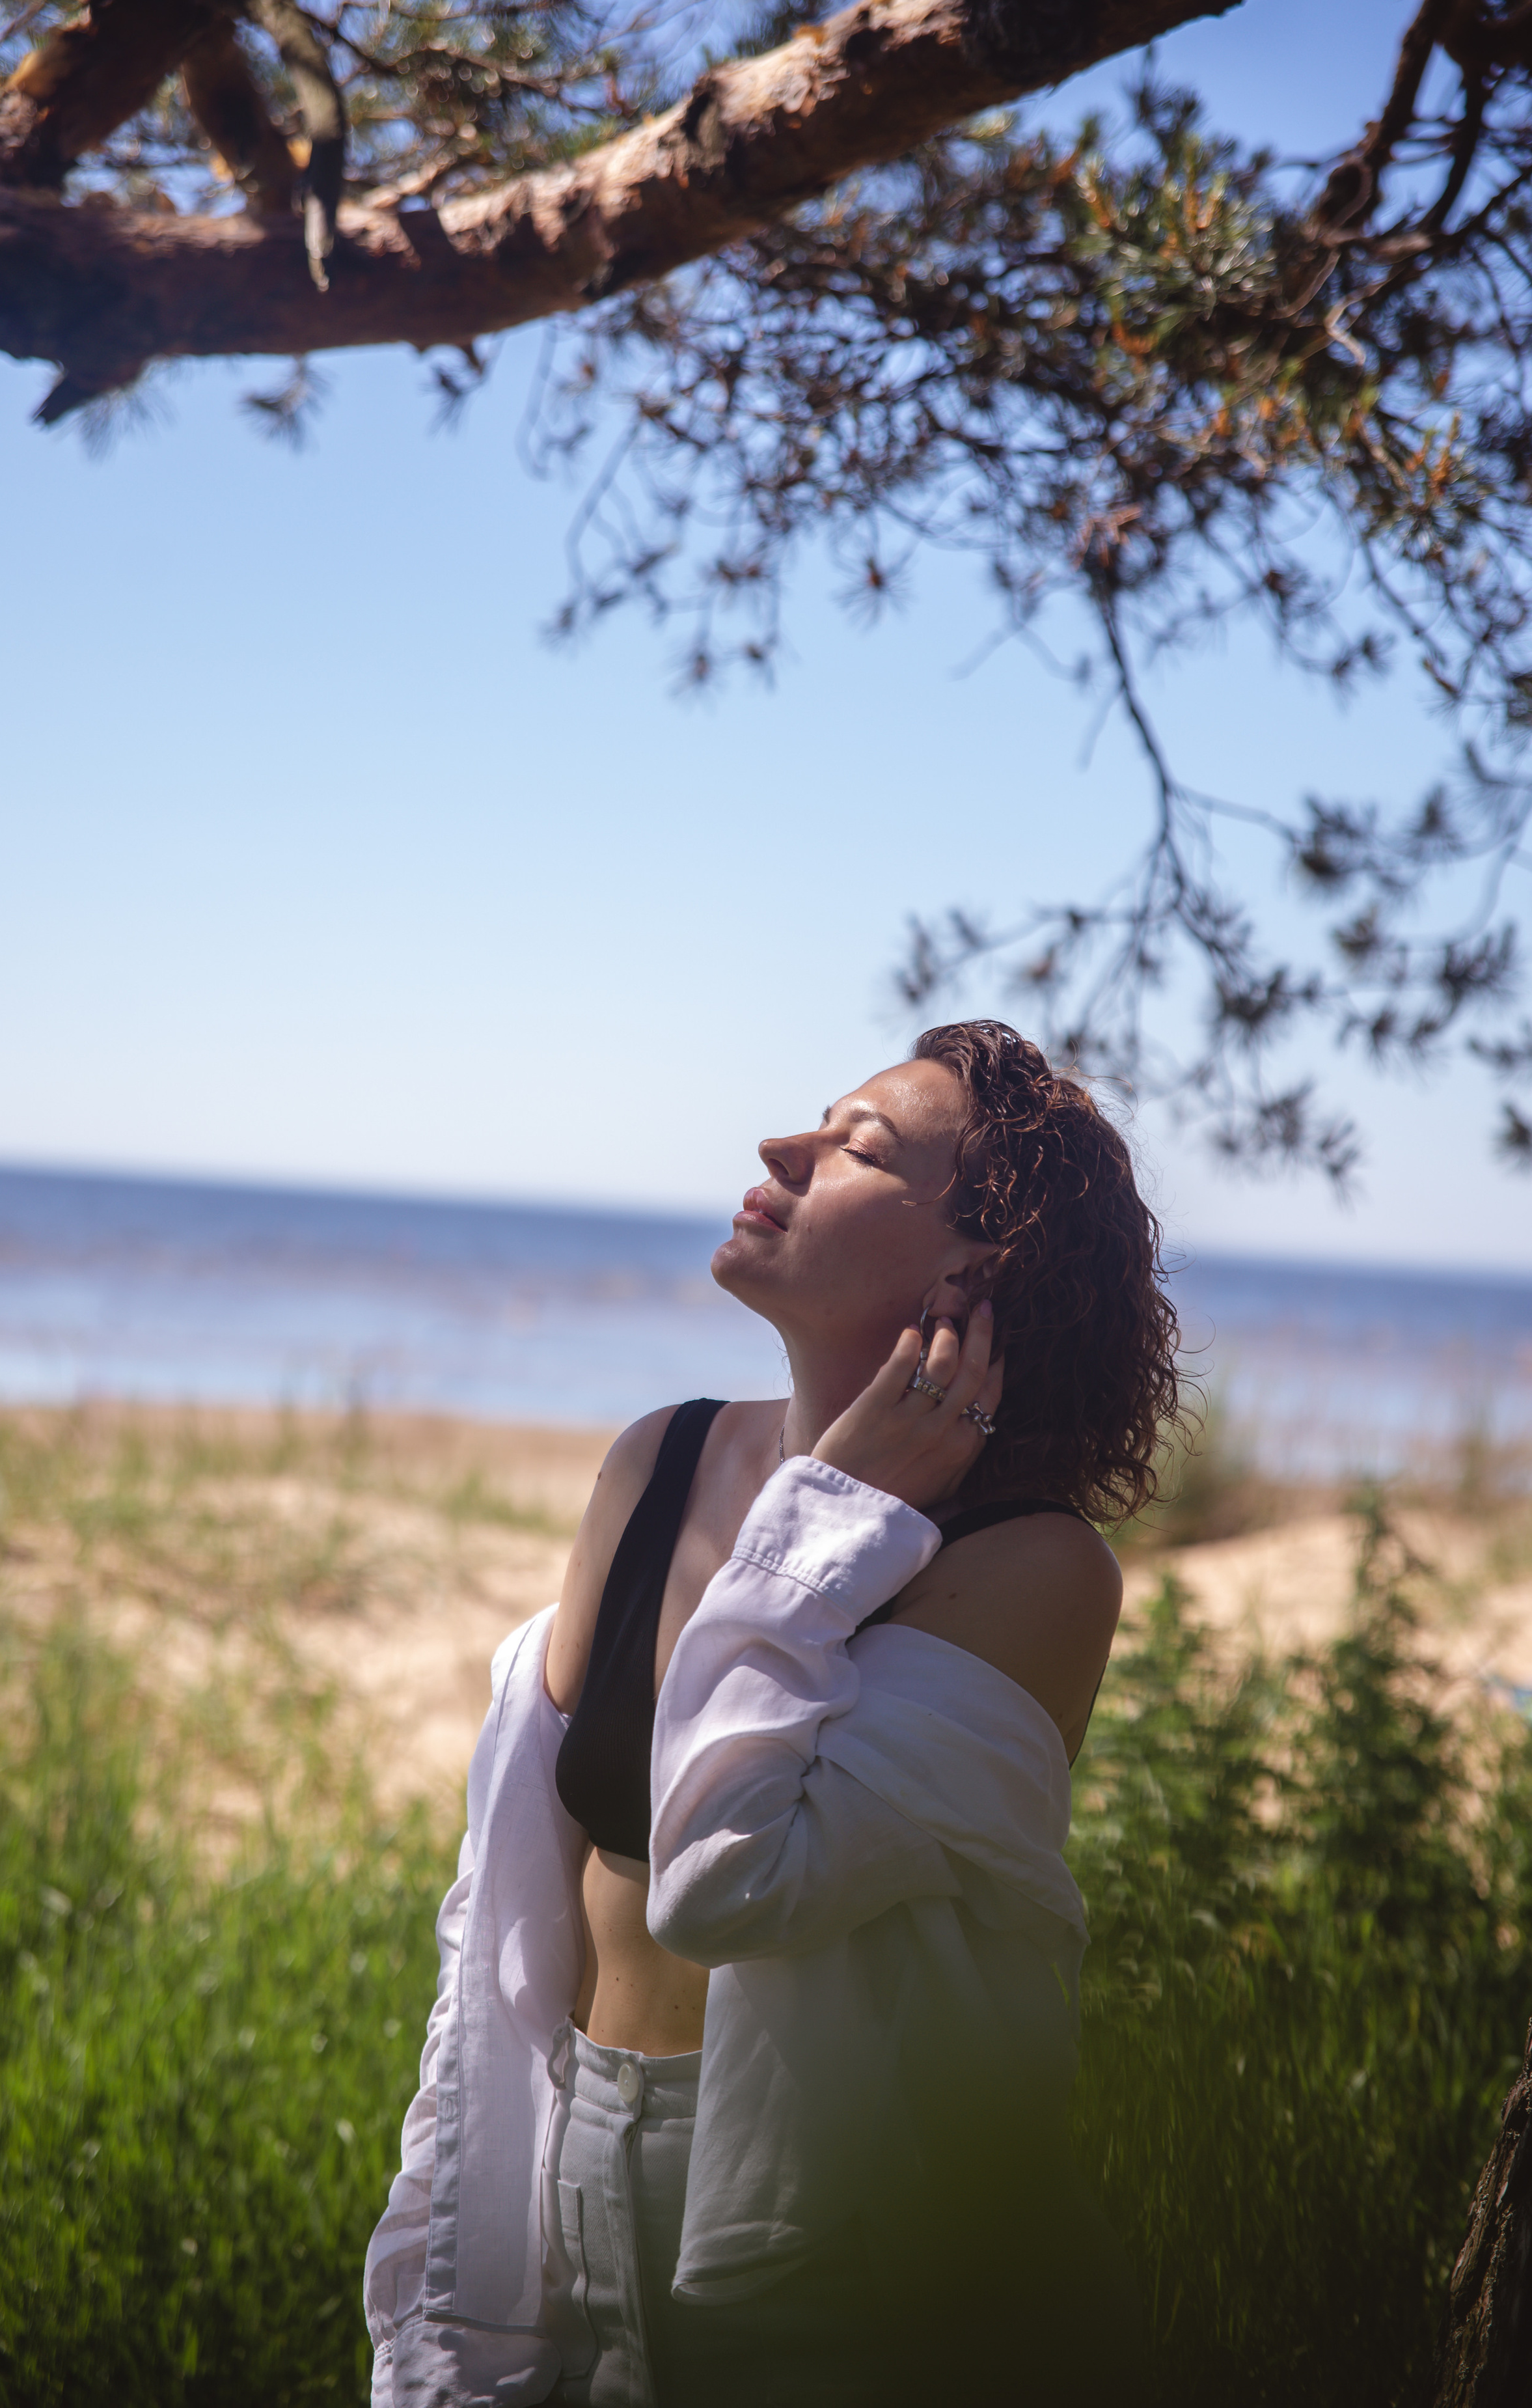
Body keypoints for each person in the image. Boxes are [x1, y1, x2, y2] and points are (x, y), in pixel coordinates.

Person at [364, 1020, 1179, 2408]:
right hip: (567, 2159)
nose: (778, 1149)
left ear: (977, 1268)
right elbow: (515, 1879)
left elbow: (725, 1880)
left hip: (835, 2239)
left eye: (858, 1148)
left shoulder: (1030, 1568)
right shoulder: (657, 1460)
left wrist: (827, 1519)